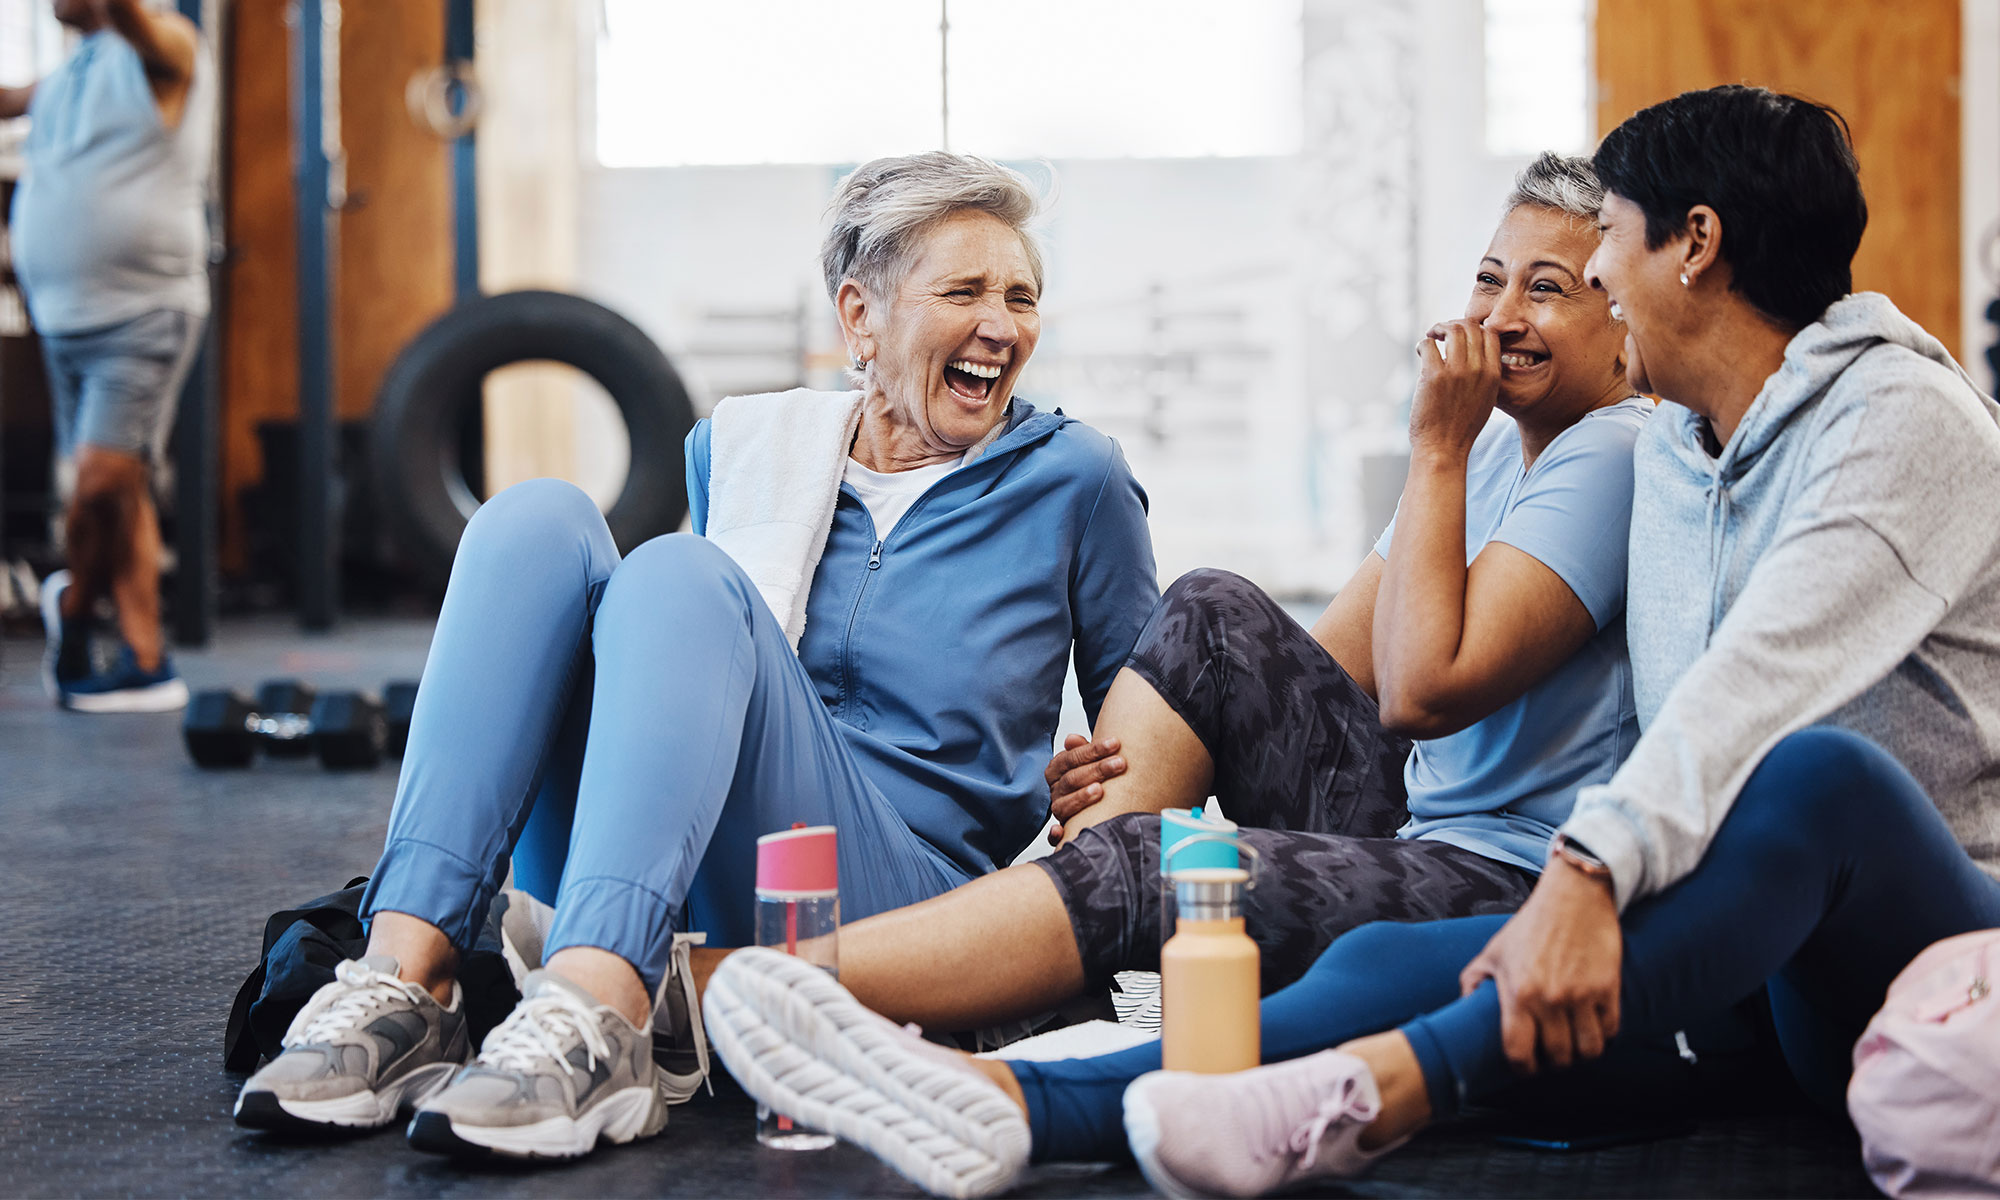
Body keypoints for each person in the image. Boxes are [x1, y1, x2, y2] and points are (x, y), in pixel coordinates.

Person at [703, 87, 2000, 1200]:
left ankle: (1324, 1078)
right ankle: (1017, 1093)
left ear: (1694, 248)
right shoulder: (1682, 446)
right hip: (1731, 947)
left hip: (1917, 939)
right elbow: (1327, 674)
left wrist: (1586, 878)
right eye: (1512, 275)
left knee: (1813, 772)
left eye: (1597, 255)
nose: (1585, 285)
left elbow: (1742, 700)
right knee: (1375, 948)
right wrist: (1187, 728)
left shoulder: (1900, 422)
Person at [232, 152, 1160, 1163]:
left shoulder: (1075, 478)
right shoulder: (740, 451)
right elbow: (721, 691)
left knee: (678, 575)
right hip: (687, 864)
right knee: (533, 519)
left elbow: (1154, 740)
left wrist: (1092, 793)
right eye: (965, 291)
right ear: (859, 317)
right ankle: (407, 983)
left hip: (907, 902)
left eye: (1021, 296)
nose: (1002, 325)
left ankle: (598, 1014)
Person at [702, 151, 1651, 1046]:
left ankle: (744, 986)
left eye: (1549, 289)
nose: (1502, 316)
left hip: (1513, 868)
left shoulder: (1608, 450)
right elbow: (1306, 679)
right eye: (1491, 280)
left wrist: (1435, 446)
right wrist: (1118, 763)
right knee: (1211, 611)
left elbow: (1418, 693)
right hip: (1415, 818)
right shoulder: (1487, 451)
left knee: (1151, 868)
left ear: (1623, 319)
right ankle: (1043, 936)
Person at [4, 0, 212, 712]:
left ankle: (71, 608)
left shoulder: (166, 45)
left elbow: (131, 17)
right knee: (122, 488)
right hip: (64, 319)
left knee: (97, 482)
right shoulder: (69, 72)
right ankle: (147, 659)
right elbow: (8, 99)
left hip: (142, 313)